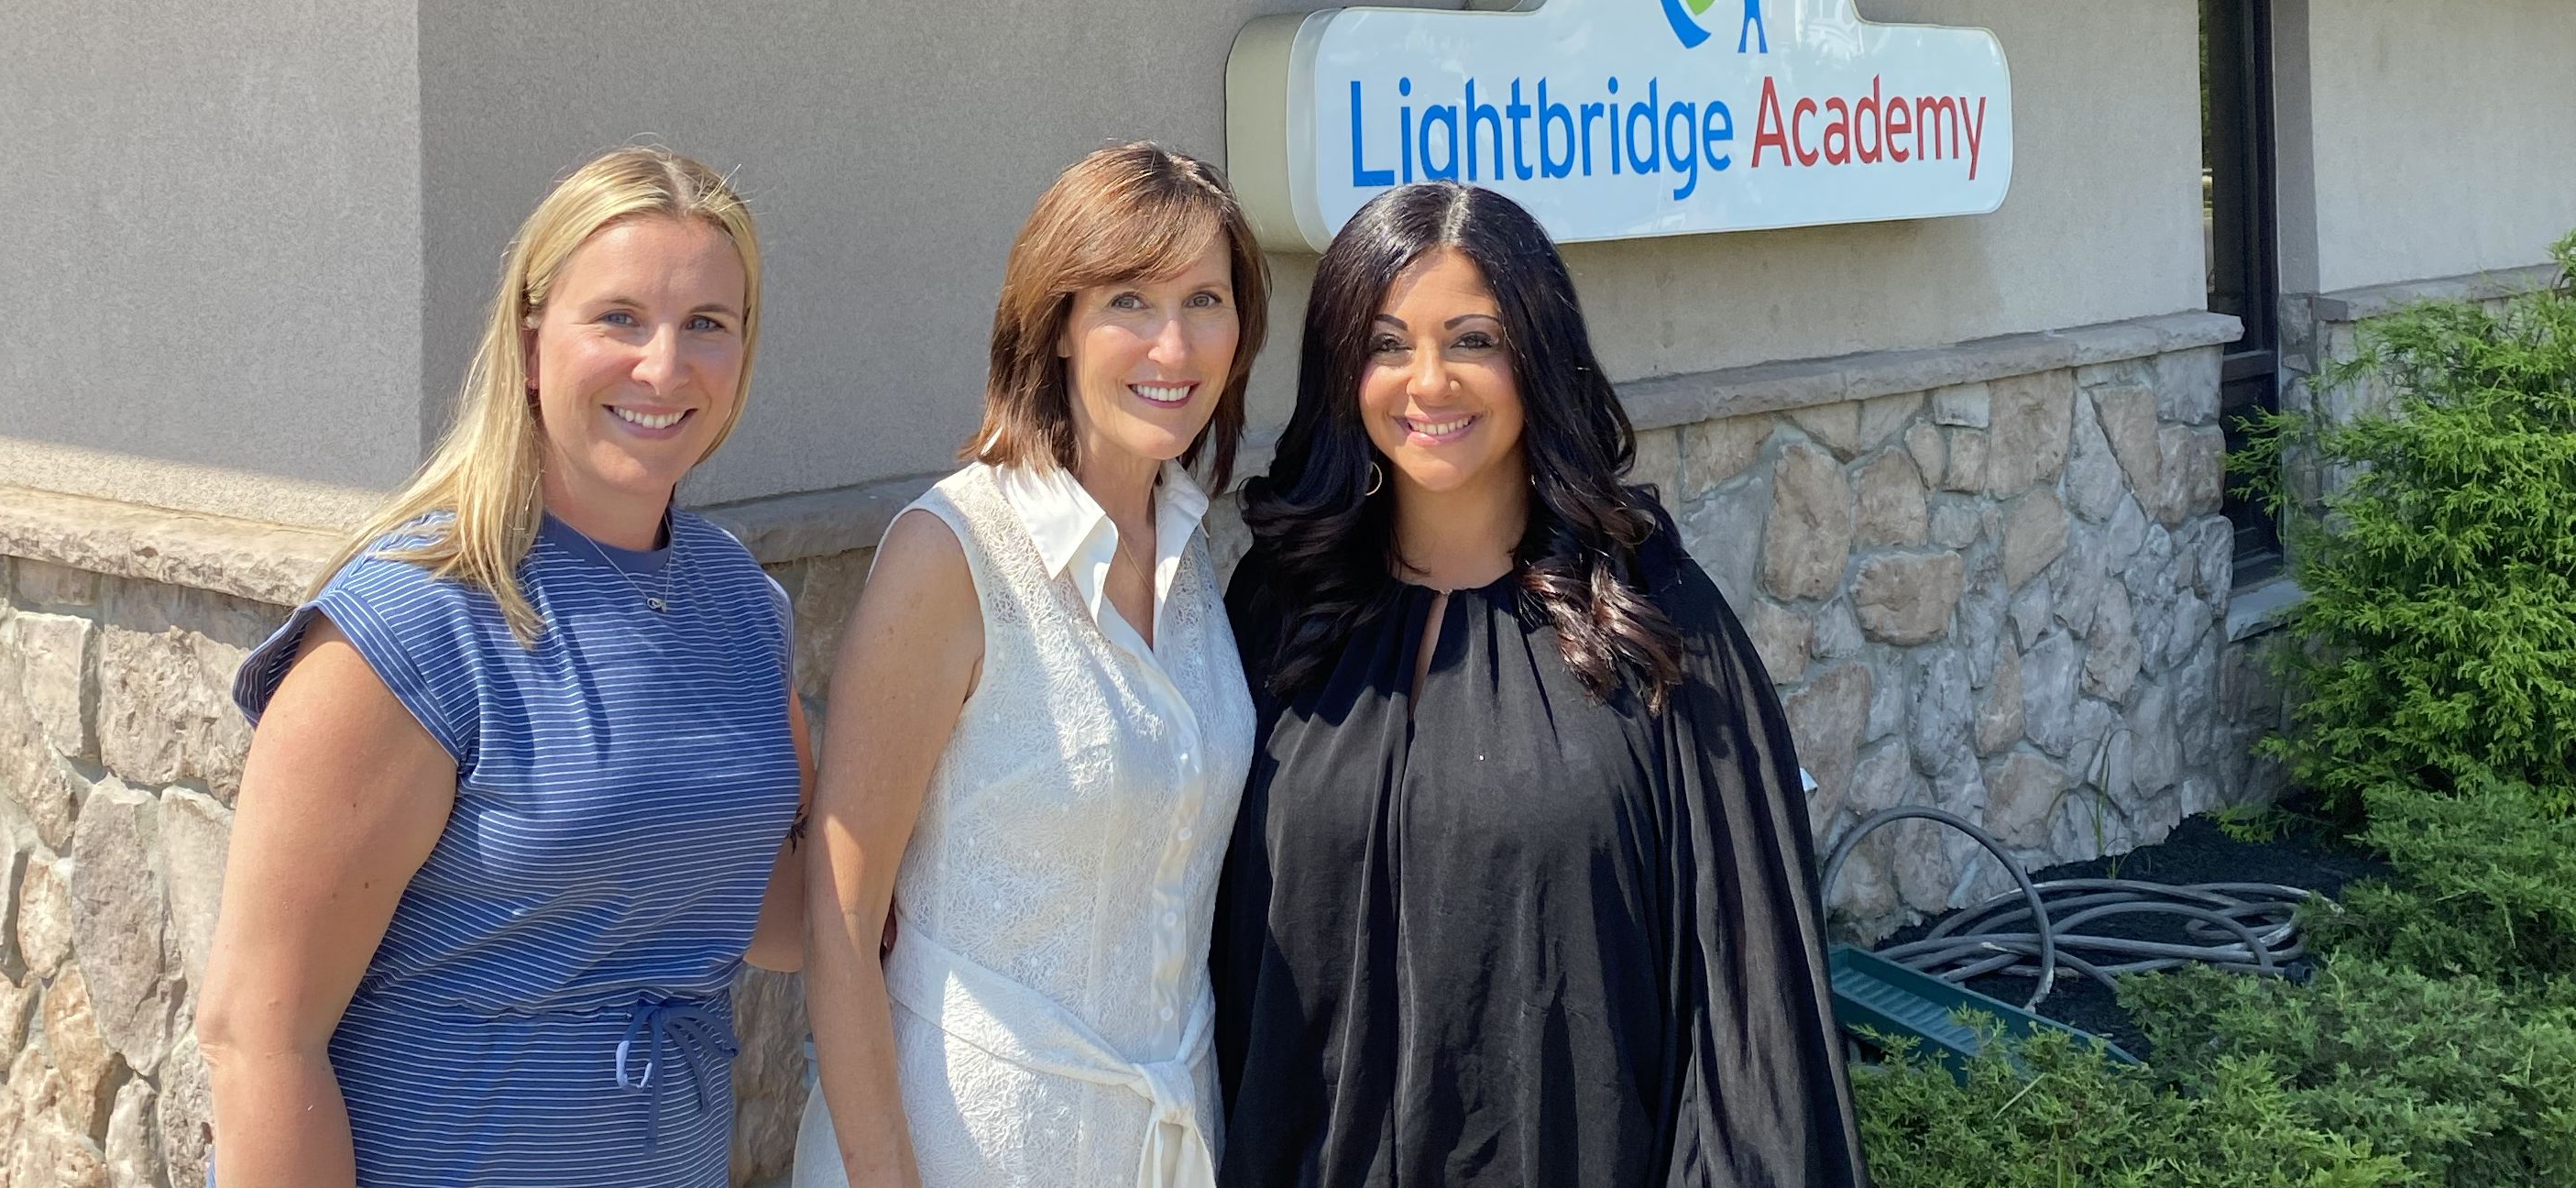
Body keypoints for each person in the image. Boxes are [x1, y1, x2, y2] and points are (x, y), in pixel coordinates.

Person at [1212, 182, 1868, 1187]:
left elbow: (1749, 1005)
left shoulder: (1651, 622)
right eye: (1387, 344)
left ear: (1537, 356)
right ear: (1344, 368)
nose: (1427, 382)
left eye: (1472, 339)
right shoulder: (1280, 611)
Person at [196, 147, 811, 1187]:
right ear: (532, 346)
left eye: (707, 322)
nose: (664, 367)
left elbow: (779, 914)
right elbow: (256, 1037)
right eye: (619, 317)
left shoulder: (742, 607)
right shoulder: (412, 620)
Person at [795, 143, 1273, 1188]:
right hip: (966, 1151)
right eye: (1129, 299)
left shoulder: (1197, 554)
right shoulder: (953, 552)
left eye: (1204, 298)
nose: (1172, 341)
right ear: (1057, 321)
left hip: (1164, 1148)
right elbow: (839, 927)